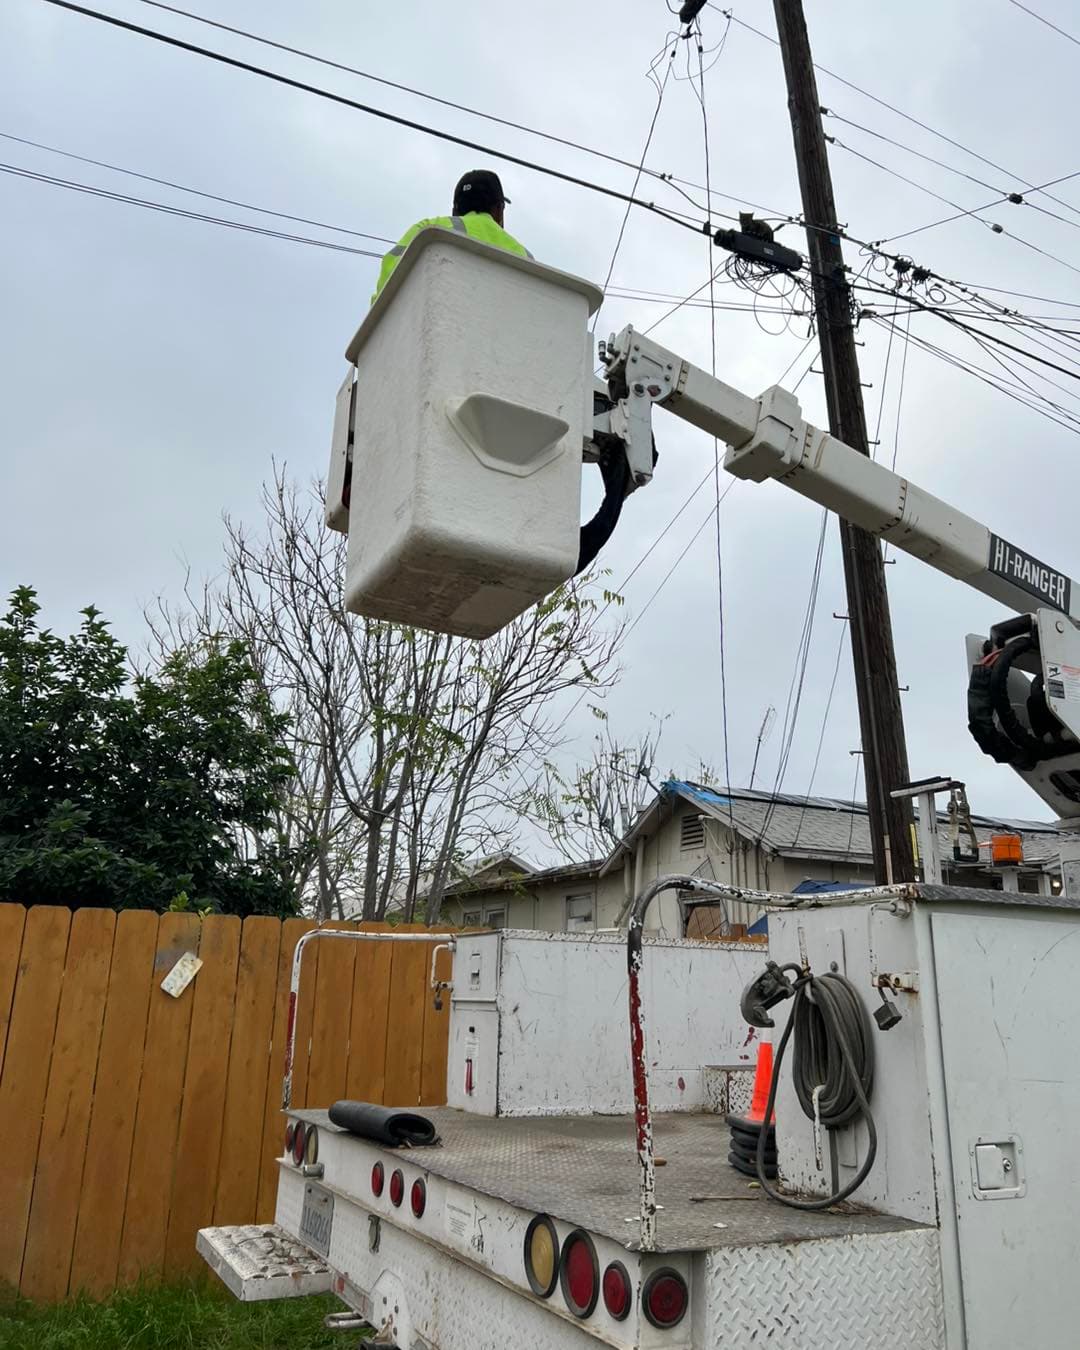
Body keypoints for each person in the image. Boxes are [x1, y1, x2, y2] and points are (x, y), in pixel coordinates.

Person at [371, 169, 533, 304]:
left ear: (455, 208)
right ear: (498, 210)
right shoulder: (523, 254)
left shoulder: (427, 229)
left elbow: (386, 285)